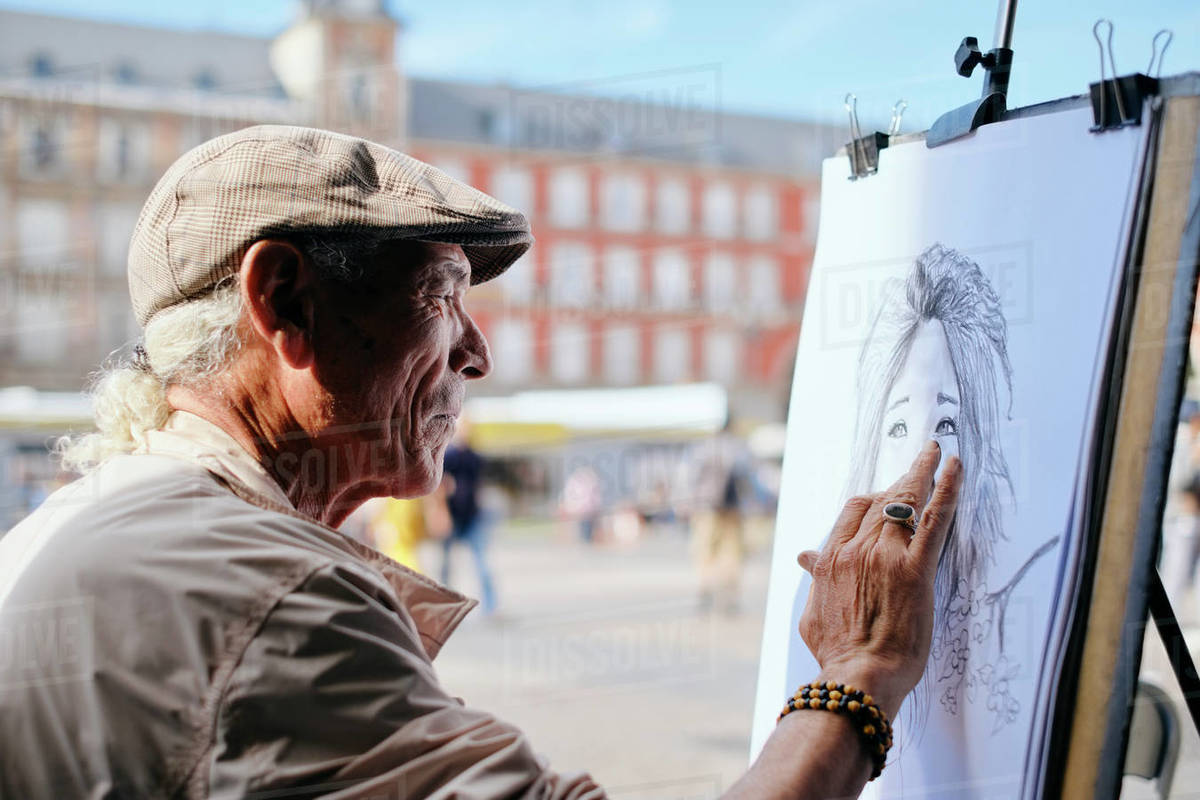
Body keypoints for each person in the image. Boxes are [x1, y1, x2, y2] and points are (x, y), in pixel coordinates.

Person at [0, 125, 962, 799]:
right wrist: (859, 671)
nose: (478, 354)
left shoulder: (99, 521)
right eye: (441, 295)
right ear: (285, 302)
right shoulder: (255, 590)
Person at [439, 419, 497, 614]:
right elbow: (440, 486)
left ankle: (490, 606)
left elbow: (478, 486)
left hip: (472, 517)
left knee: (482, 563)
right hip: (452, 516)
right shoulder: (449, 456)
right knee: (446, 565)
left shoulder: (475, 458)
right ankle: (443, 605)